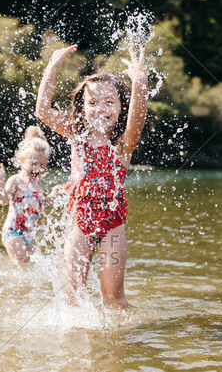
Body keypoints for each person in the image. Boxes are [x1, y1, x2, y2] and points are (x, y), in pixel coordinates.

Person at [35, 43, 148, 308]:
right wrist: (52, 66)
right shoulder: (76, 134)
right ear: (82, 106)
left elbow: (138, 120)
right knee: (70, 297)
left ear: (121, 108)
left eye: (110, 102)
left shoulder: (122, 143)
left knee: (113, 299)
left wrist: (139, 84)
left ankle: (120, 342)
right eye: (93, 102)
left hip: (113, 227)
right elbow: (42, 110)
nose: (100, 108)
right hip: (80, 224)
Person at [0, 125, 62, 263]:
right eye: (33, 163)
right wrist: (1, 179)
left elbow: (38, 206)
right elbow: (2, 200)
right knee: (20, 263)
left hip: (29, 233)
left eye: (42, 165)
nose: (38, 168)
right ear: (22, 160)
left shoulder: (37, 184)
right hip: (14, 231)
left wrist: (53, 195)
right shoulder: (16, 180)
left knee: (28, 266)